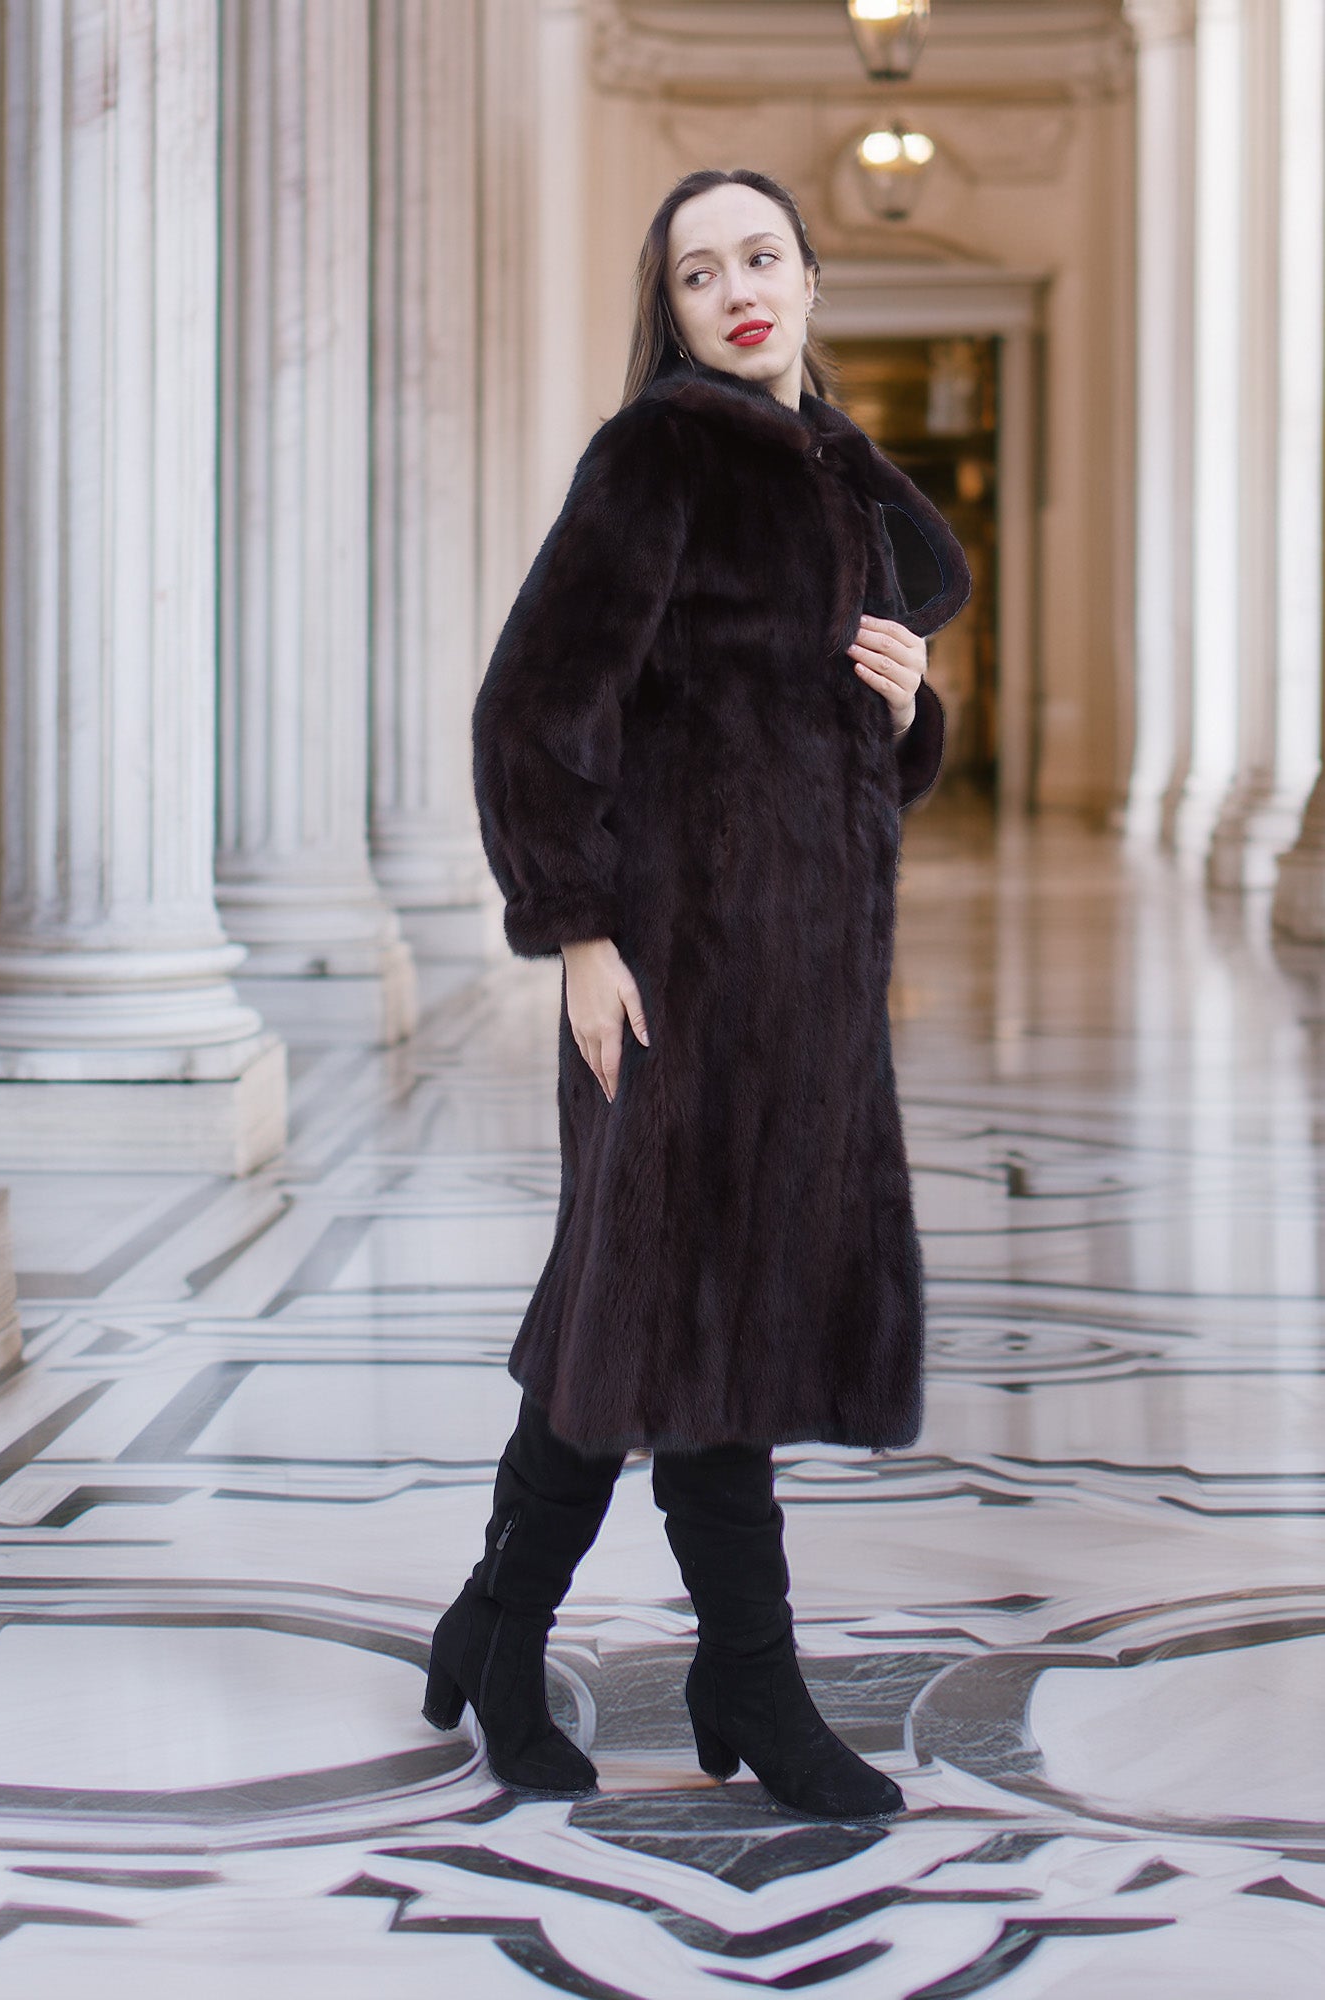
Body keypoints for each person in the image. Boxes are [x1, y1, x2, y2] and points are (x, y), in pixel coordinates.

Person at [423, 167, 972, 1821]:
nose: (735, 289)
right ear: (664, 311)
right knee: (674, 1304)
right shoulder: (660, 455)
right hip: (665, 972)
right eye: (694, 273)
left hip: (806, 985)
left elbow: (840, 760)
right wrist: (579, 932)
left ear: (810, 280)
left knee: (650, 1301)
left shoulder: (846, 493)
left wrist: (907, 709)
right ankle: (738, 1669)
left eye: (761, 257)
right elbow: (532, 709)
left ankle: (504, 1623)